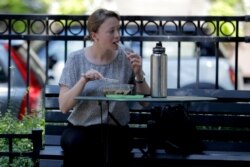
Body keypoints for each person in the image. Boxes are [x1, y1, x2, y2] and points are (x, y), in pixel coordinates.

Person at [58, 8, 150, 167]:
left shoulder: (127, 56)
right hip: (81, 129)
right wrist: (83, 80)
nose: (117, 35)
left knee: (112, 147)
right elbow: (64, 106)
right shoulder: (76, 59)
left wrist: (139, 74)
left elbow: (145, 101)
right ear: (95, 35)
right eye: (111, 31)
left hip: (115, 129)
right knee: (80, 144)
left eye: (118, 29)